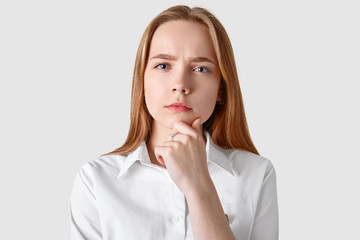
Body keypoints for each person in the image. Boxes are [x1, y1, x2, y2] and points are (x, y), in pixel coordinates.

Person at [70, 5, 278, 240]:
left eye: (201, 68)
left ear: (221, 89)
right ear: (142, 81)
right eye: (163, 65)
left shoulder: (256, 175)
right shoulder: (96, 181)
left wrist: (200, 187)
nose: (180, 84)